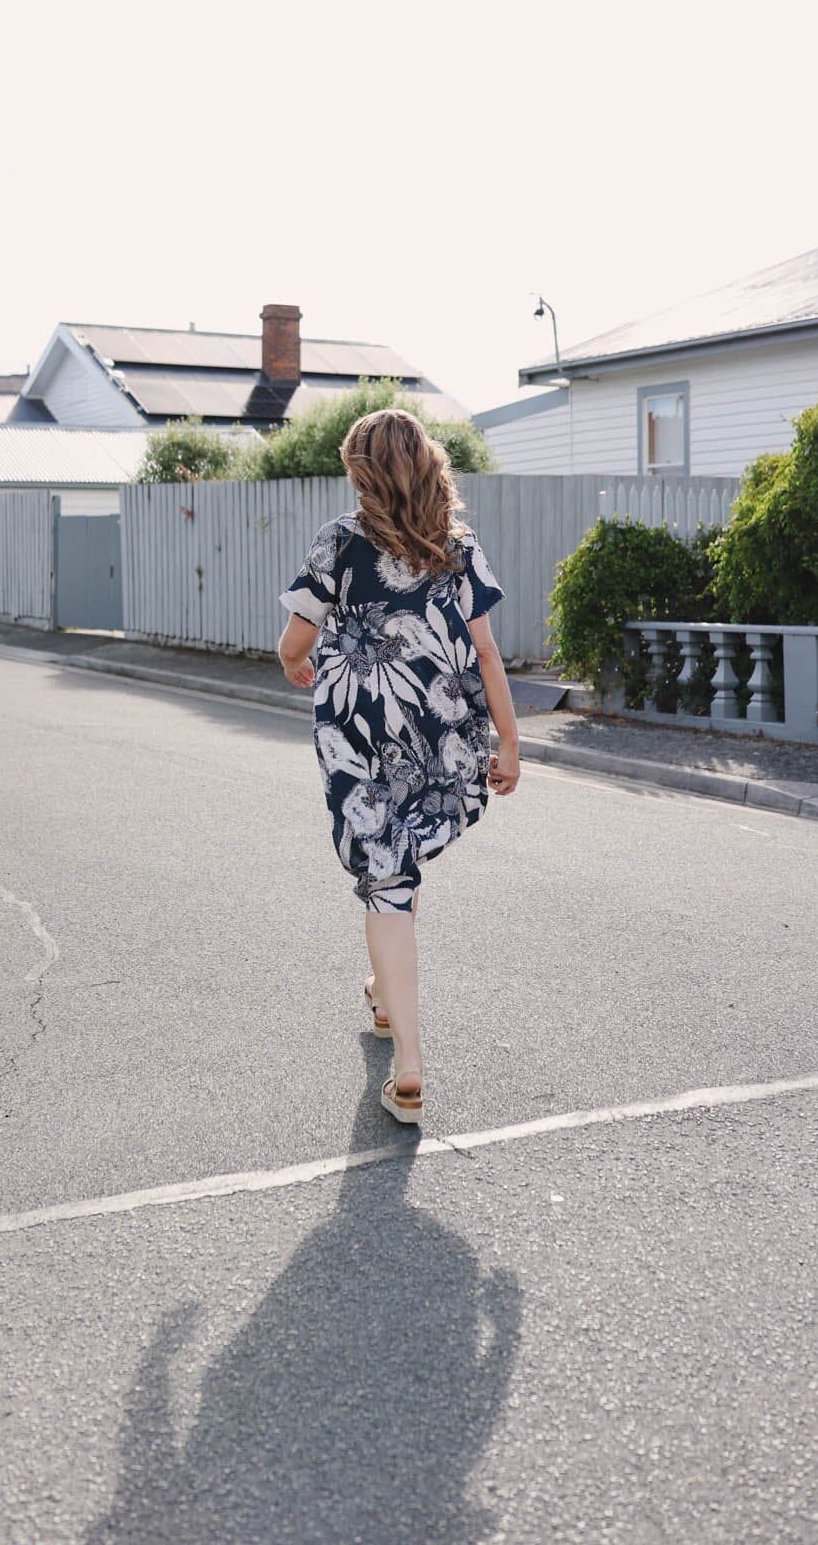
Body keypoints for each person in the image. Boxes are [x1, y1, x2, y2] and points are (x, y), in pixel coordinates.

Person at [277, 407, 520, 1125]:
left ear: (359, 473)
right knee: (400, 868)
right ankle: (386, 1000)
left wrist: (295, 661)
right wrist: (508, 742)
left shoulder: (339, 542)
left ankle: (409, 1063)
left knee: (385, 876)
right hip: (438, 732)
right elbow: (486, 653)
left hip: (358, 729)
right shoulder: (458, 548)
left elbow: (297, 634)